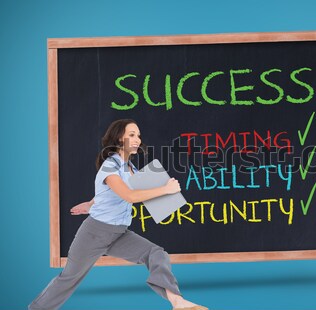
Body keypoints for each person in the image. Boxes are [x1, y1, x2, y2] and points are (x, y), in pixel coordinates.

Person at [29, 119, 208, 310]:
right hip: (95, 233)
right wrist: (165, 189)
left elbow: (111, 192)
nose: (137, 139)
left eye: (138, 135)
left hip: (119, 233)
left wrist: (91, 203)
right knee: (69, 278)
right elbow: (129, 195)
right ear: (118, 138)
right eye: (131, 134)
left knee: (156, 254)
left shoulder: (132, 168)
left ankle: (178, 303)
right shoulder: (110, 165)